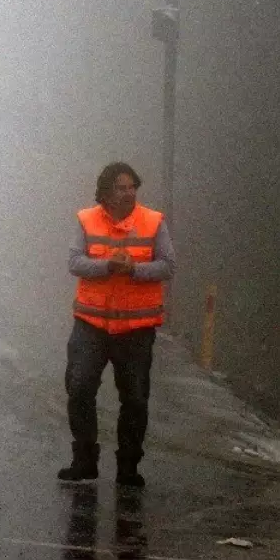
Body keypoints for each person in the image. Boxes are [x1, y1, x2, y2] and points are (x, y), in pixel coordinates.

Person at [57, 162, 176, 486]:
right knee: (80, 388)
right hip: (91, 324)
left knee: (135, 399)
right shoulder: (86, 219)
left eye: (132, 187)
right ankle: (84, 460)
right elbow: (74, 262)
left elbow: (168, 265)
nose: (128, 193)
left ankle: (128, 467)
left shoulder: (153, 222)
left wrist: (134, 269)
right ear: (106, 192)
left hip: (136, 329)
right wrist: (108, 266)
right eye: (121, 188)